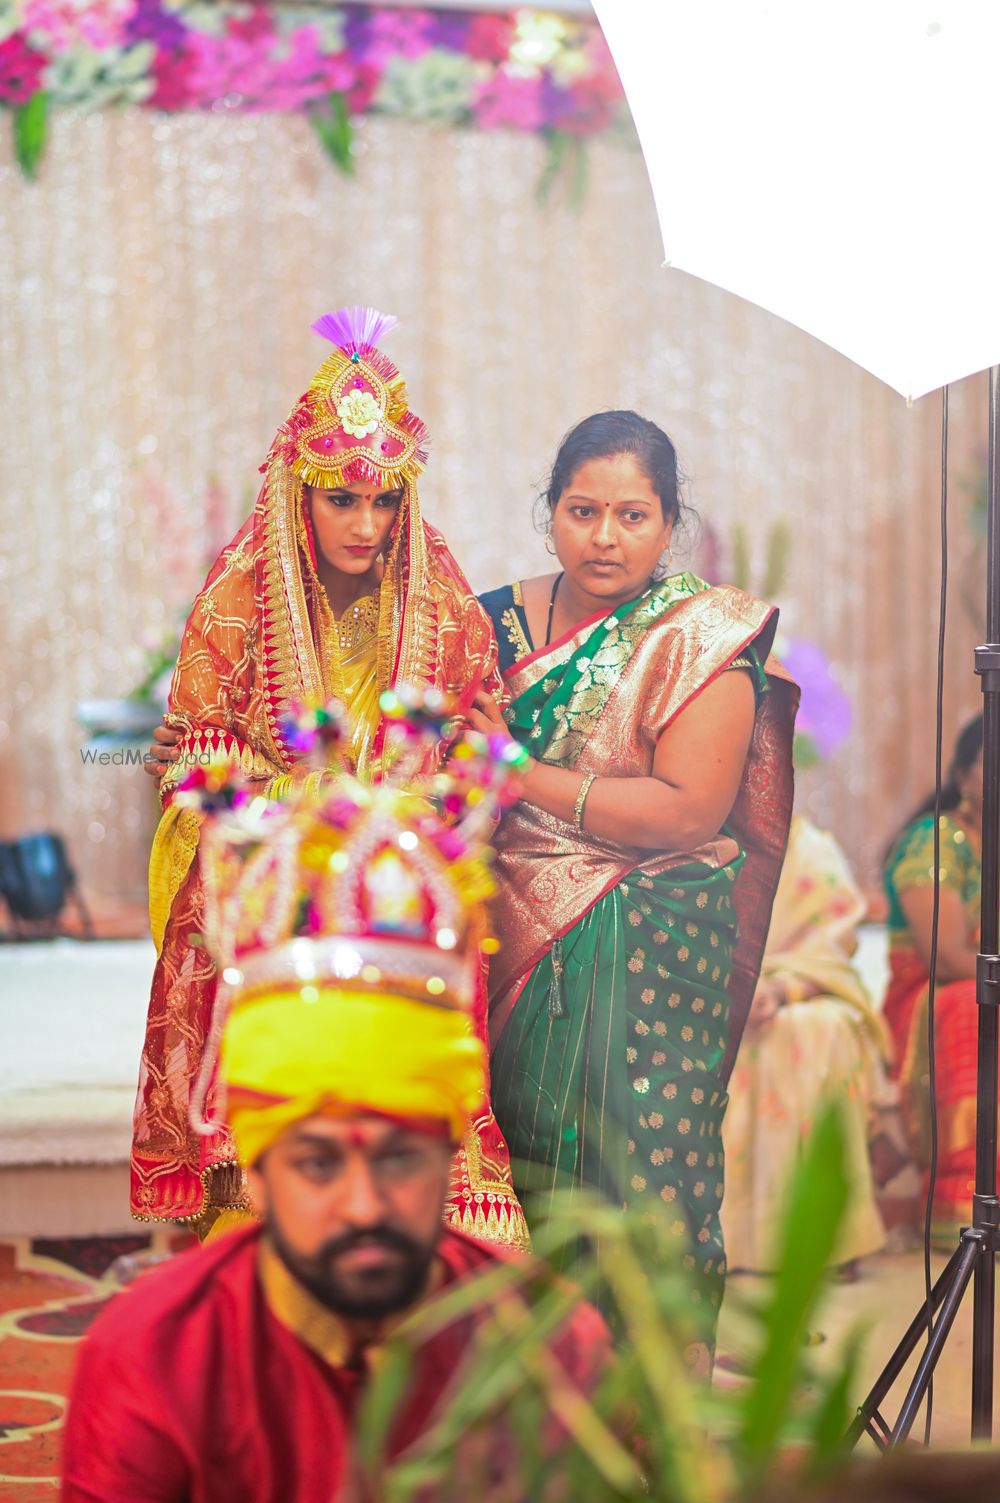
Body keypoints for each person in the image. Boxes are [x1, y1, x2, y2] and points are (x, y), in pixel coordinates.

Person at [63, 760, 609, 1502]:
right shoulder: (156, 1357)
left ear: (451, 1151)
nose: (363, 1205)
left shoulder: (542, 1346)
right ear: (254, 1164)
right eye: (318, 1164)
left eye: (400, 1158)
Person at [132, 307, 522, 1245]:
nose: (367, 522)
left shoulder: (445, 607)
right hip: (269, 905)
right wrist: (314, 814)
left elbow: (478, 755)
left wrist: (433, 795)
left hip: (396, 903)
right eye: (342, 498)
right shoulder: (237, 602)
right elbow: (192, 765)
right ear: (299, 494)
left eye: (385, 498)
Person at [471, 410, 797, 1334]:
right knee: (519, 1177)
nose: (604, 537)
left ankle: (652, 1432)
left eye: (632, 515)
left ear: (667, 521)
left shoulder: (703, 637)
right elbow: (403, 724)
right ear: (550, 512)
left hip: (647, 944)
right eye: (582, 511)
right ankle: (530, 1422)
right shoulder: (488, 622)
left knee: (639, 1190)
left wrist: (520, 773)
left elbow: (687, 809)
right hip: (506, 931)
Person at [722, 813, 887, 1272]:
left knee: (819, 1030)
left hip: (796, 986)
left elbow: (833, 948)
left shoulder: (812, 848)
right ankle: (720, 1239)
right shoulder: (693, 834)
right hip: (709, 991)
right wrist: (729, 989)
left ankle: (826, 1239)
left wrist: (780, 990)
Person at [882, 713, 983, 1245]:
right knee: (972, 1004)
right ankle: (963, 1202)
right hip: (930, 998)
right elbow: (944, 958)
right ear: (965, 775)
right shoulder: (936, 840)